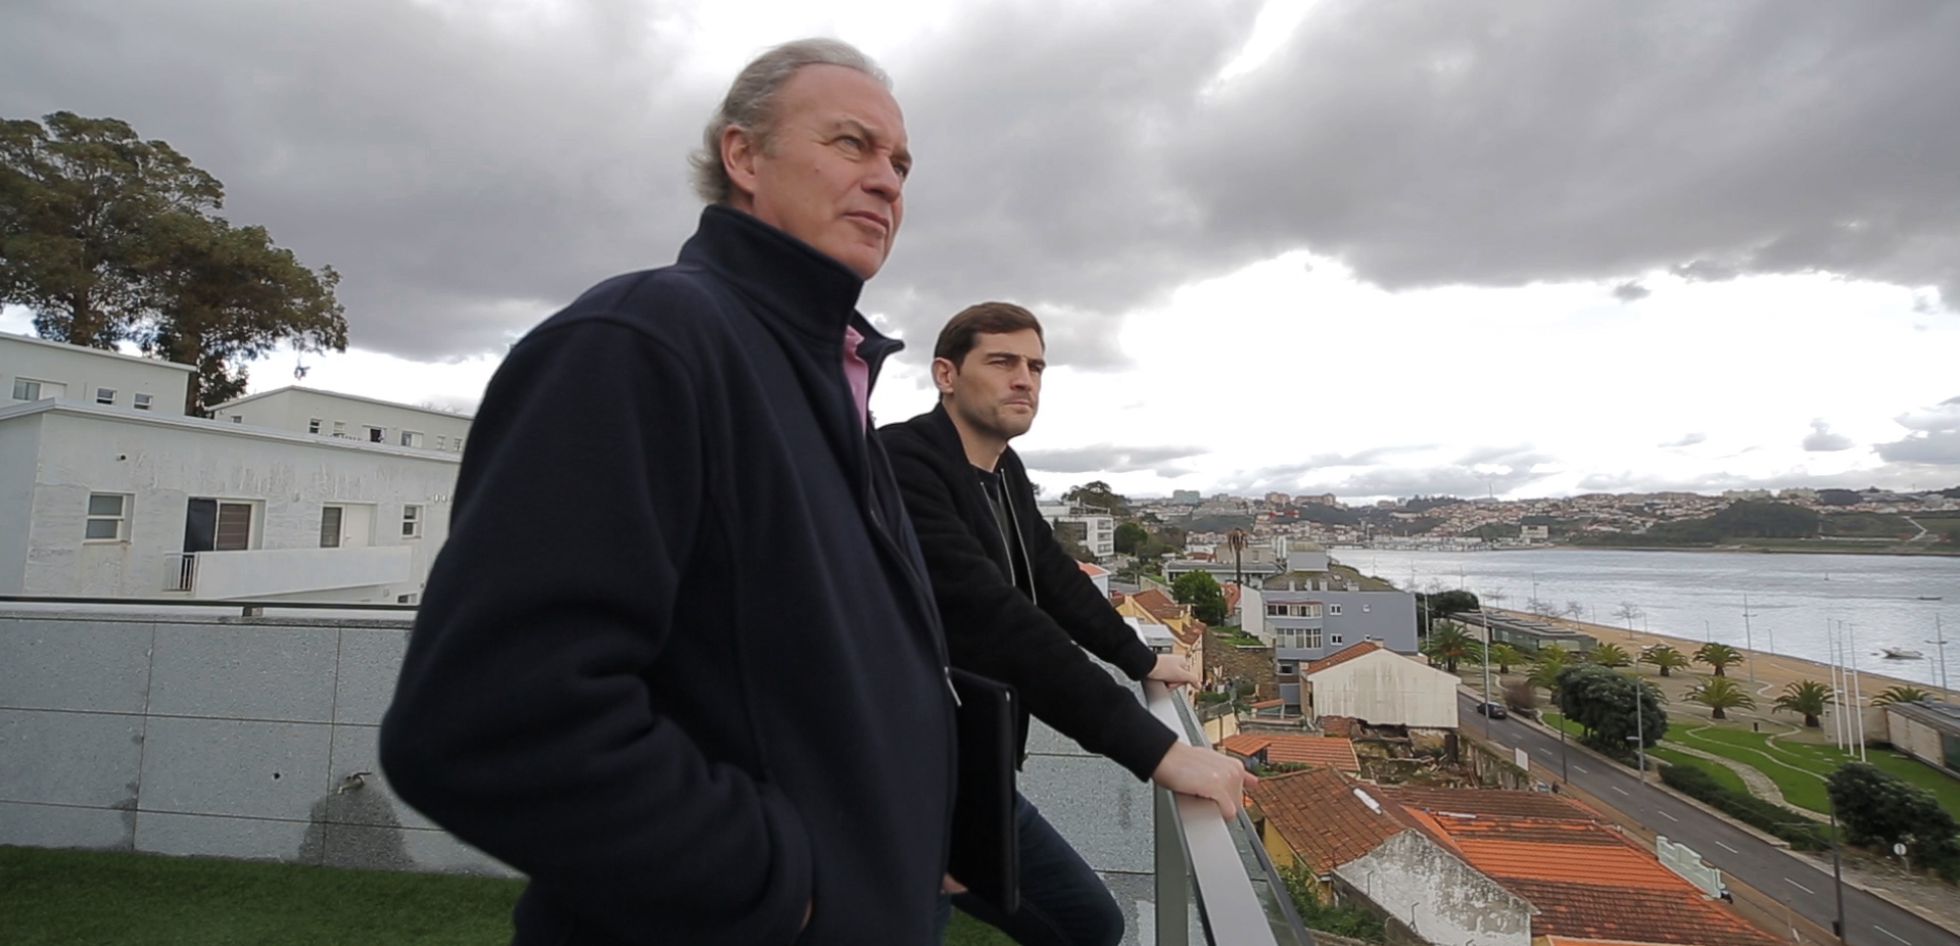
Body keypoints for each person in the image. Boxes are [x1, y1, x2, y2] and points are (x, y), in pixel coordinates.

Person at [380, 39, 954, 946]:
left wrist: (900, 835)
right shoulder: (644, 341)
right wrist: (778, 882)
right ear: (743, 157)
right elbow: (491, 721)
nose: (887, 181)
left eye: (901, 162)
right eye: (851, 144)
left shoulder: (833, 377)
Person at [880, 302, 1257, 946]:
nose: (1024, 379)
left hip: (968, 776)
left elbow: (1052, 576)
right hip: (895, 777)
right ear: (946, 374)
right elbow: (997, 625)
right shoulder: (901, 466)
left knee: (1090, 923)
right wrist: (1160, 751)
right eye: (1001, 362)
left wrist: (1138, 657)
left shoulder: (1003, 471)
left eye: (1035, 366)